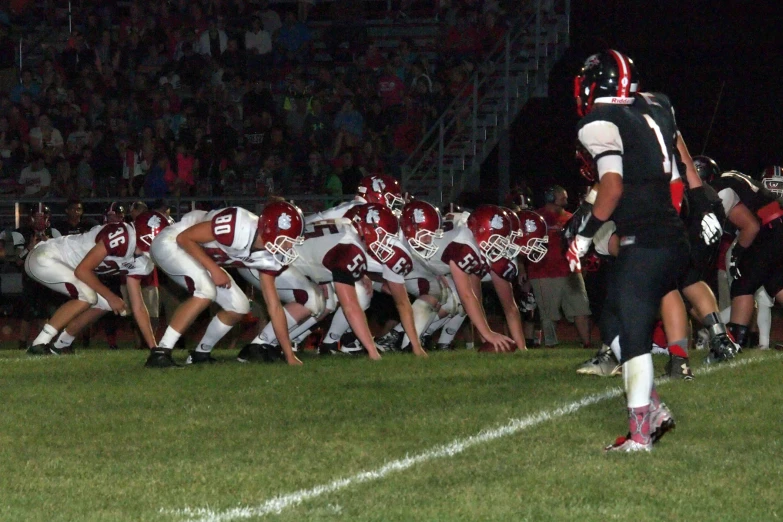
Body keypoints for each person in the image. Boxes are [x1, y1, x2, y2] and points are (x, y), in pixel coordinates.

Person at [569, 50, 690, 452]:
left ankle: (641, 435)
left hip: (648, 238)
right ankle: (653, 408)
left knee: (635, 334)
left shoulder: (600, 121)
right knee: (617, 320)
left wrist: (585, 233)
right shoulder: (652, 108)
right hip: (666, 233)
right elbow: (672, 176)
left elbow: (613, 186)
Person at [146, 202, 306, 368]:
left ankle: (200, 354)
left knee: (239, 306)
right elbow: (184, 238)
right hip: (171, 243)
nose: (289, 246)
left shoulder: (269, 256)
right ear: (269, 229)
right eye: (288, 240)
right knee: (205, 291)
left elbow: (275, 307)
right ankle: (160, 353)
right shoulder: (239, 226)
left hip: (196, 256)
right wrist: (215, 270)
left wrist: (289, 355)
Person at [23, 211, 168, 355]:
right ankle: (39, 343)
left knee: (104, 304)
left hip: (64, 266)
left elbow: (139, 307)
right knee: (88, 296)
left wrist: (154, 348)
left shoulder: (144, 261)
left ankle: (62, 344)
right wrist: (112, 297)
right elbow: (82, 271)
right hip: (45, 257)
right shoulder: (121, 235)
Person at [527, 185, 592, 348]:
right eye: (562, 197)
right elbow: (524, 246)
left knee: (581, 309)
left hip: (571, 271)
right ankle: (551, 344)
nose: (566, 200)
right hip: (543, 271)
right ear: (551, 198)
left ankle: (587, 343)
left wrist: (582, 266)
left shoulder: (571, 218)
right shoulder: (536, 219)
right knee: (548, 314)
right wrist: (523, 270)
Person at [0, 204, 62, 349]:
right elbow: (18, 260)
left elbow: (62, 257)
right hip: (30, 278)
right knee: (27, 314)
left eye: (43, 217)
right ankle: (23, 343)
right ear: (31, 218)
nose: (40, 221)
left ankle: (46, 342)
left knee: (47, 313)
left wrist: (50, 245)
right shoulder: (21, 233)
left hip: (49, 278)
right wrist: (30, 247)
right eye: (37, 217)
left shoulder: (54, 233)